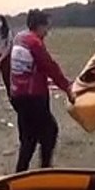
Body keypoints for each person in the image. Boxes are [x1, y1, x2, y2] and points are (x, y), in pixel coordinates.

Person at [9, 9, 75, 172]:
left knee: (28, 137)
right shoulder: (35, 43)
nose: (48, 31)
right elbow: (50, 67)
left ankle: (20, 171)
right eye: (46, 27)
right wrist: (67, 87)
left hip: (17, 95)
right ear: (39, 26)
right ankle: (45, 169)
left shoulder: (19, 38)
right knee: (49, 131)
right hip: (33, 97)